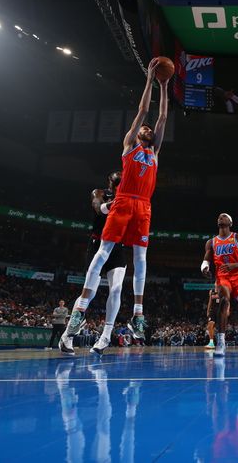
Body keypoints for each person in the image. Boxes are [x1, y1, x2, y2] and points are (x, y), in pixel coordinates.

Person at [60, 58, 168, 355]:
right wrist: (149, 81)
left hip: (144, 206)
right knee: (103, 253)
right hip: (123, 204)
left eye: (148, 130)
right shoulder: (130, 147)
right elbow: (144, 111)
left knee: (140, 258)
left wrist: (165, 86)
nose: (147, 129)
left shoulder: (155, 152)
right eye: (143, 128)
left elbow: (161, 119)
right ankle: (80, 309)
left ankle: (138, 312)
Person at [68, 170, 130, 355]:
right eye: (117, 180)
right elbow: (98, 207)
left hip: (117, 247)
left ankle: (106, 336)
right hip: (98, 245)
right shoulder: (99, 193)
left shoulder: (128, 197)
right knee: (90, 292)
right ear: (110, 182)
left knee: (117, 288)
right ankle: (67, 336)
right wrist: (119, 203)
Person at [201, 213, 238, 356]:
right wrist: (204, 268)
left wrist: (234, 265)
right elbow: (206, 260)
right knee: (224, 300)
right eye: (219, 216)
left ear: (230, 223)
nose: (221, 217)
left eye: (225, 216)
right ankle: (221, 341)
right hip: (222, 278)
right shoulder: (211, 242)